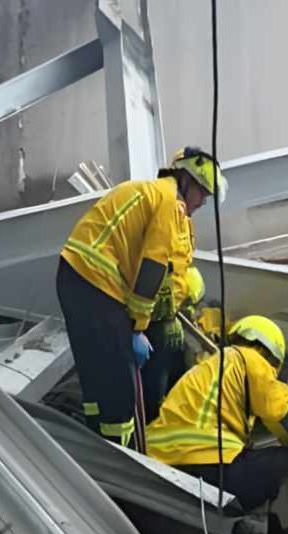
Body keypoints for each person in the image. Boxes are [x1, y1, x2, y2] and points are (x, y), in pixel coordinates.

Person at [56, 147, 225, 446]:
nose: (202, 202)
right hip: (97, 285)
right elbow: (154, 265)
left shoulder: (154, 196)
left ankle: (97, 438)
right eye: (202, 193)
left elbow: (166, 271)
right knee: (119, 387)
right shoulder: (169, 203)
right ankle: (122, 460)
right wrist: (137, 328)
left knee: (96, 375)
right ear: (186, 180)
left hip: (78, 278)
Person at [146, 316, 288, 511]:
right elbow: (282, 418)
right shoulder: (251, 359)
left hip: (160, 458)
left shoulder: (211, 366)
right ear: (271, 356)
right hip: (203, 461)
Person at [142, 265, 206, 421]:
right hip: (159, 332)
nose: (194, 312)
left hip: (161, 331)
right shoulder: (183, 282)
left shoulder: (182, 279)